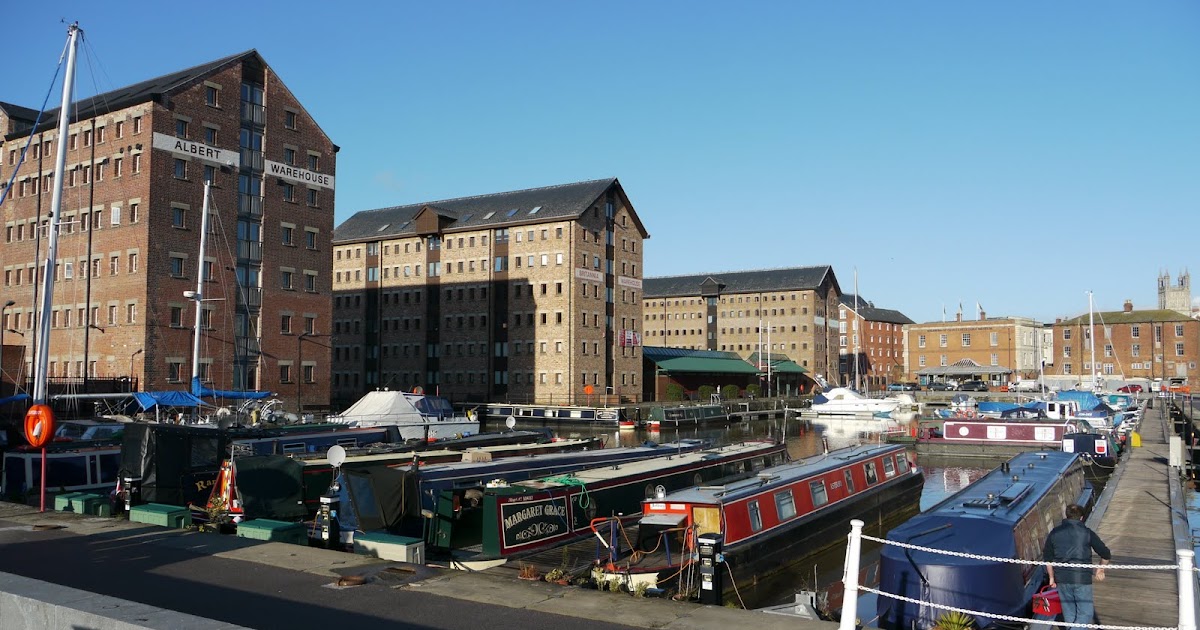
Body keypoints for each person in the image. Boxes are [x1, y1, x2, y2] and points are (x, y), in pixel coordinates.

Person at [1043, 504, 1112, 628]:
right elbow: (1105, 553)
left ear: (1066, 516)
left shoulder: (1054, 533)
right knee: (1085, 613)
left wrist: (1052, 578)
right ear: (1081, 518)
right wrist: (1100, 569)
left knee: (1069, 614)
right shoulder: (1087, 533)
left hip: (1062, 579)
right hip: (1082, 578)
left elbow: (1048, 558)